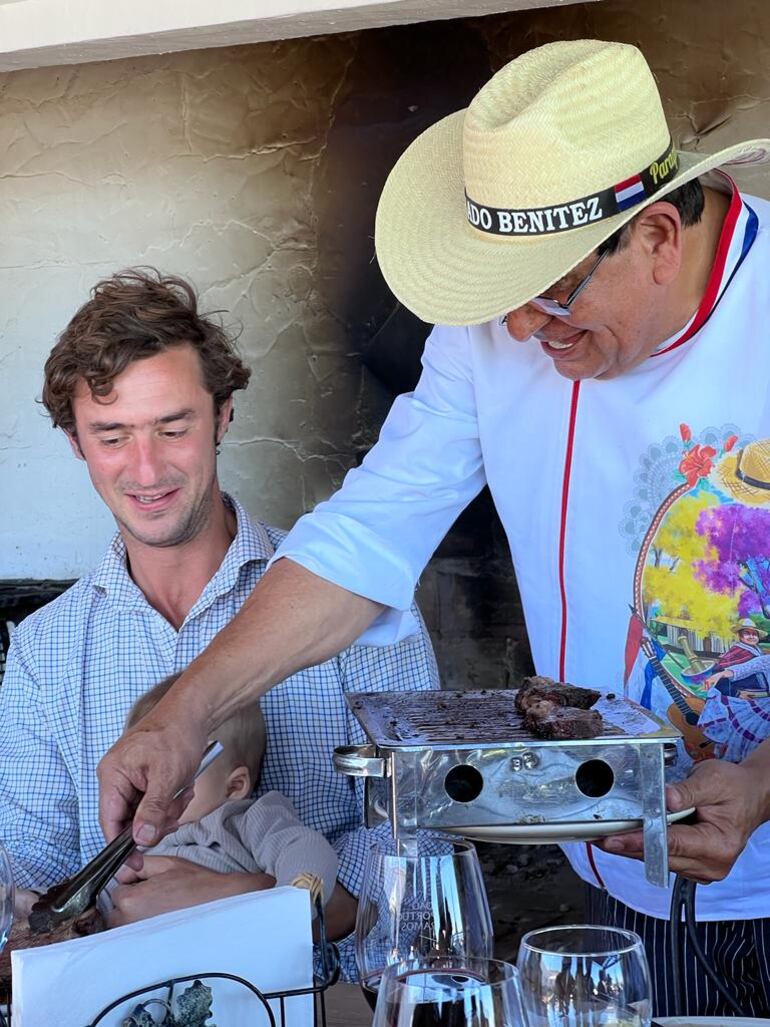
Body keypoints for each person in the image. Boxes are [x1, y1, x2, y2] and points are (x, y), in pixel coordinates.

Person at [97, 41, 770, 1016]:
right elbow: (368, 531)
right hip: (620, 886)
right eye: (504, 303)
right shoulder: (499, 331)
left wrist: (759, 779)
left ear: (657, 235)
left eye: (551, 294)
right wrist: (186, 710)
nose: (524, 338)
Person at [0, 269, 438, 974]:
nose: (146, 468)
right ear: (76, 442)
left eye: (173, 427)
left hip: (328, 1008)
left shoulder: (361, 603)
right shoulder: (43, 651)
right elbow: (31, 872)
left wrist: (238, 898)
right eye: (111, 436)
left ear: (224, 415)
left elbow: (423, 847)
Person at [107, 674, 339, 927]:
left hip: (234, 960)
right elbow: (105, 895)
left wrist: (291, 902)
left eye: (174, 772)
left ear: (234, 786)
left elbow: (304, 847)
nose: (153, 788)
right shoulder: (136, 841)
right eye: (143, 772)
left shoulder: (245, 820)